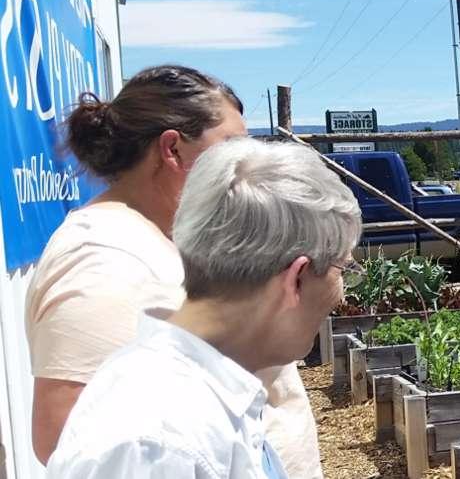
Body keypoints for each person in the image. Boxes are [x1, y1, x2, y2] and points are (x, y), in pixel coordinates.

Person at [25, 65, 322, 477]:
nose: (247, 166)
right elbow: (67, 433)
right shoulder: (103, 258)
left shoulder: (160, 237)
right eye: (232, 148)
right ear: (172, 150)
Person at [46, 138, 364, 477]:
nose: (341, 295)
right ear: (296, 279)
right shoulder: (163, 443)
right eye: (343, 268)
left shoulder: (191, 397)